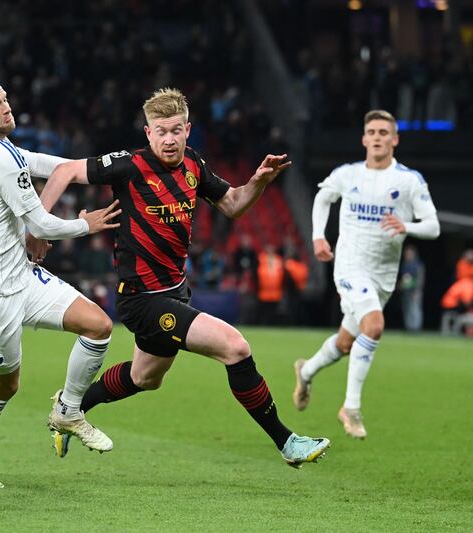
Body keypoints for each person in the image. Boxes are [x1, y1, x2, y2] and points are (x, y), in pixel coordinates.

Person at [33, 88, 330, 468]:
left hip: (175, 292)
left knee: (144, 378)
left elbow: (234, 205)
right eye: (161, 131)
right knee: (235, 347)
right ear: (148, 133)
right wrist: (39, 227)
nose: (169, 139)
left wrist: (259, 180)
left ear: (188, 130)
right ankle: (287, 442)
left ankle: (68, 408)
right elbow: (64, 170)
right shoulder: (129, 165)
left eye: (176, 130)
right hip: (142, 299)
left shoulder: (193, 164)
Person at [0, 75, 122, 488]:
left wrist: (95, 167)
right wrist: (85, 223)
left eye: (5, 98)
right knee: (4, 388)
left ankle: (69, 410)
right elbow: (39, 223)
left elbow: (38, 163)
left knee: (97, 326)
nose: (6, 107)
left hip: (20, 275)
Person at [293, 109, 440, 439]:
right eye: (371, 132)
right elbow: (323, 197)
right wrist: (319, 236)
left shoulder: (408, 180)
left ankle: (307, 371)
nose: (377, 137)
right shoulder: (348, 174)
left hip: (383, 275)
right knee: (373, 326)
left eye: (383, 132)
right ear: (363, 139)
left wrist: (408, 226)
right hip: (349, 266)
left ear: (395, 139)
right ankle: (351, 407)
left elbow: (433, 226)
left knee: (346, 342)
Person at [399, 244, 425, 331]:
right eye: (407, 254)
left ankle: (415, 328)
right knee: (406, 308)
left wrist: (417, 291)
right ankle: (409, 327)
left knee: (415, 309)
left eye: (410, 254)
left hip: (415, 290)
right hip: (406, 290)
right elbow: (403, 278)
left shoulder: (418, 265)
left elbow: (420, 278)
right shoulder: (404, 264)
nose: (408, 255)